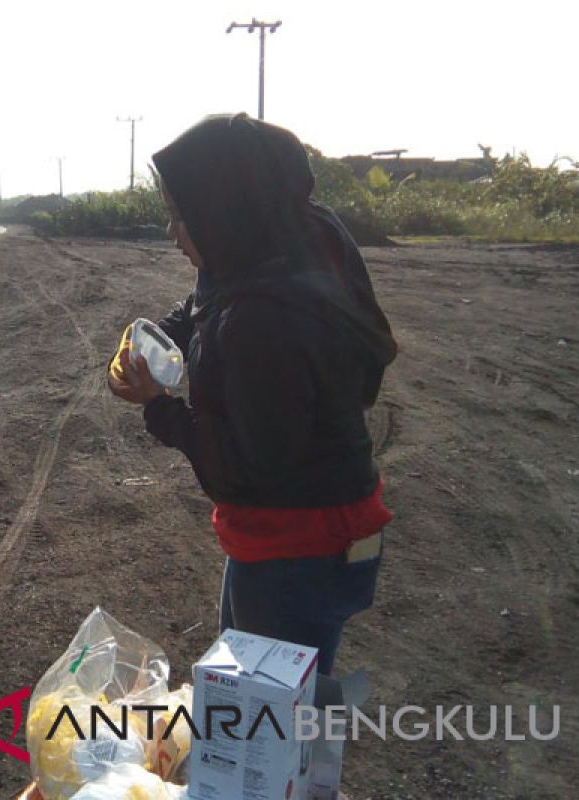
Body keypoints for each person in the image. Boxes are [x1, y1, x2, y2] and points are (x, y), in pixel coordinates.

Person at [108, 113, 398, 675]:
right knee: (263, 704)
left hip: (299, 548)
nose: (174, 233)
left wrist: (158, 408)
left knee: (270, 730)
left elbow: (241, 470)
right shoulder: (278, 242)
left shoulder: (264, 321)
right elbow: (202, 303)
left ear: (222, 211)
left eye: (180, 215)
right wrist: (157, 338)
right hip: (309, 533)